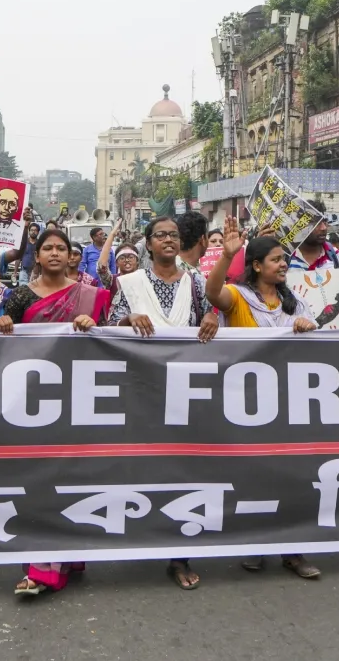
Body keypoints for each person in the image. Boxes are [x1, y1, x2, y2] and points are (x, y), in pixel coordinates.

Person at [0, 228, 111, 596]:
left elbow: (110, 340)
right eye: (48, 248)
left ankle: (66, 556)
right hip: (32, 402)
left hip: (78, 398)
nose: (56, 253)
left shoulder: (89, 293)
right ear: (39, 254)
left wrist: (94, 326)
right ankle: (41, 566)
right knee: (38, 482)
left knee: (71, 478)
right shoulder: (20, 295)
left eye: (62, 248)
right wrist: (1, 323)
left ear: (71, 255)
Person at [205, 216, 321, 580]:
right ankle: (254, 543)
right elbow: (212, 294)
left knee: (291, 477)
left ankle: (292, 550)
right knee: (252, 477)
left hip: (288, 405)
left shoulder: (293, 303)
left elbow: (316, 338)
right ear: (256, 266)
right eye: (276, 259)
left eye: (285, 259)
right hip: (247, 406)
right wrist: (227, 256)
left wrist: (307, 326)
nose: (284, 264)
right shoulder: (238, 297)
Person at [106, 216, 217, 590]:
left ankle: (178, 555)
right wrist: (128, 318)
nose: (169, 240)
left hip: (186, 393)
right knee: (142, 467)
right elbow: (110, 325)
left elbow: (210, 315)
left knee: (183, 470)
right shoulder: (129, 283)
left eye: (174, 235)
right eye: (161, 235)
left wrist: (212, 317)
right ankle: (140, 537)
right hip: (141, 391)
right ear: (148, 244)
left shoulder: (196, 282)